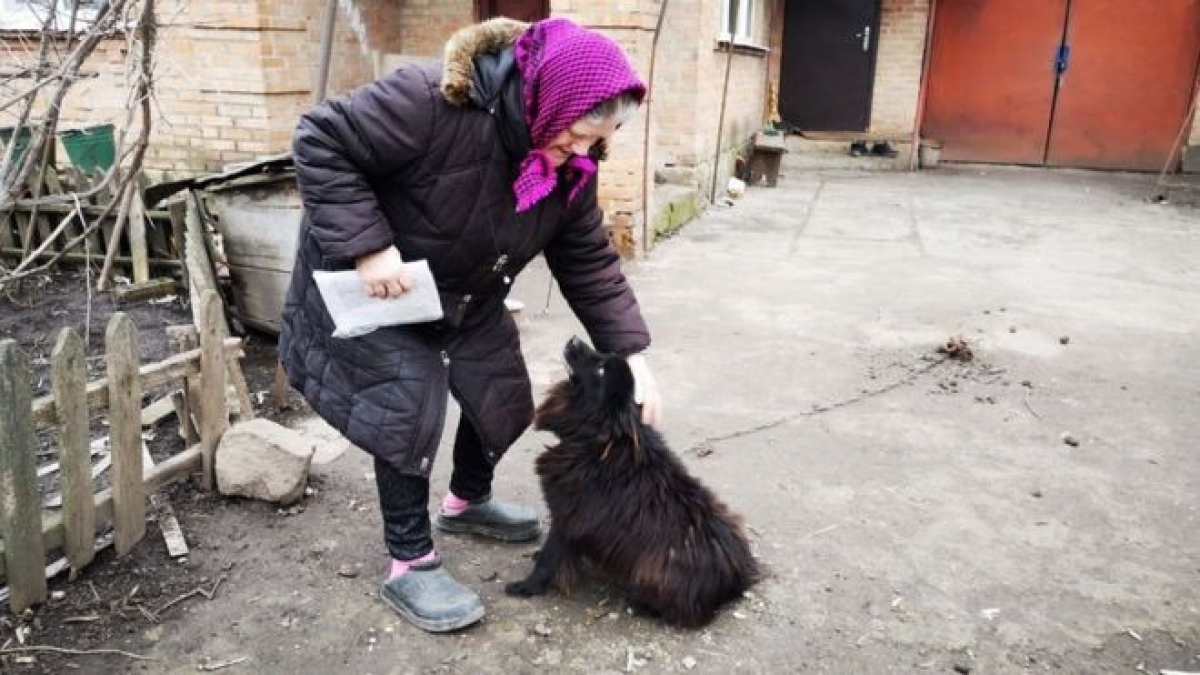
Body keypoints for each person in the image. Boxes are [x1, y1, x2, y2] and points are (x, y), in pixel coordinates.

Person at [278, 17, 662, 633]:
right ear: (550, 100)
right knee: (404, 408)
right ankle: (410, 562)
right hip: (378, 285)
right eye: (580, 135)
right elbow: (321, 137)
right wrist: (369, 248)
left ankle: (466, 502)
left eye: (602, 139)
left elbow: (587, 259)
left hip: (466, 290)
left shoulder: (568, 167)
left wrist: (631, 357)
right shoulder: (429, 101)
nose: (586, 152)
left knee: (501, 399)